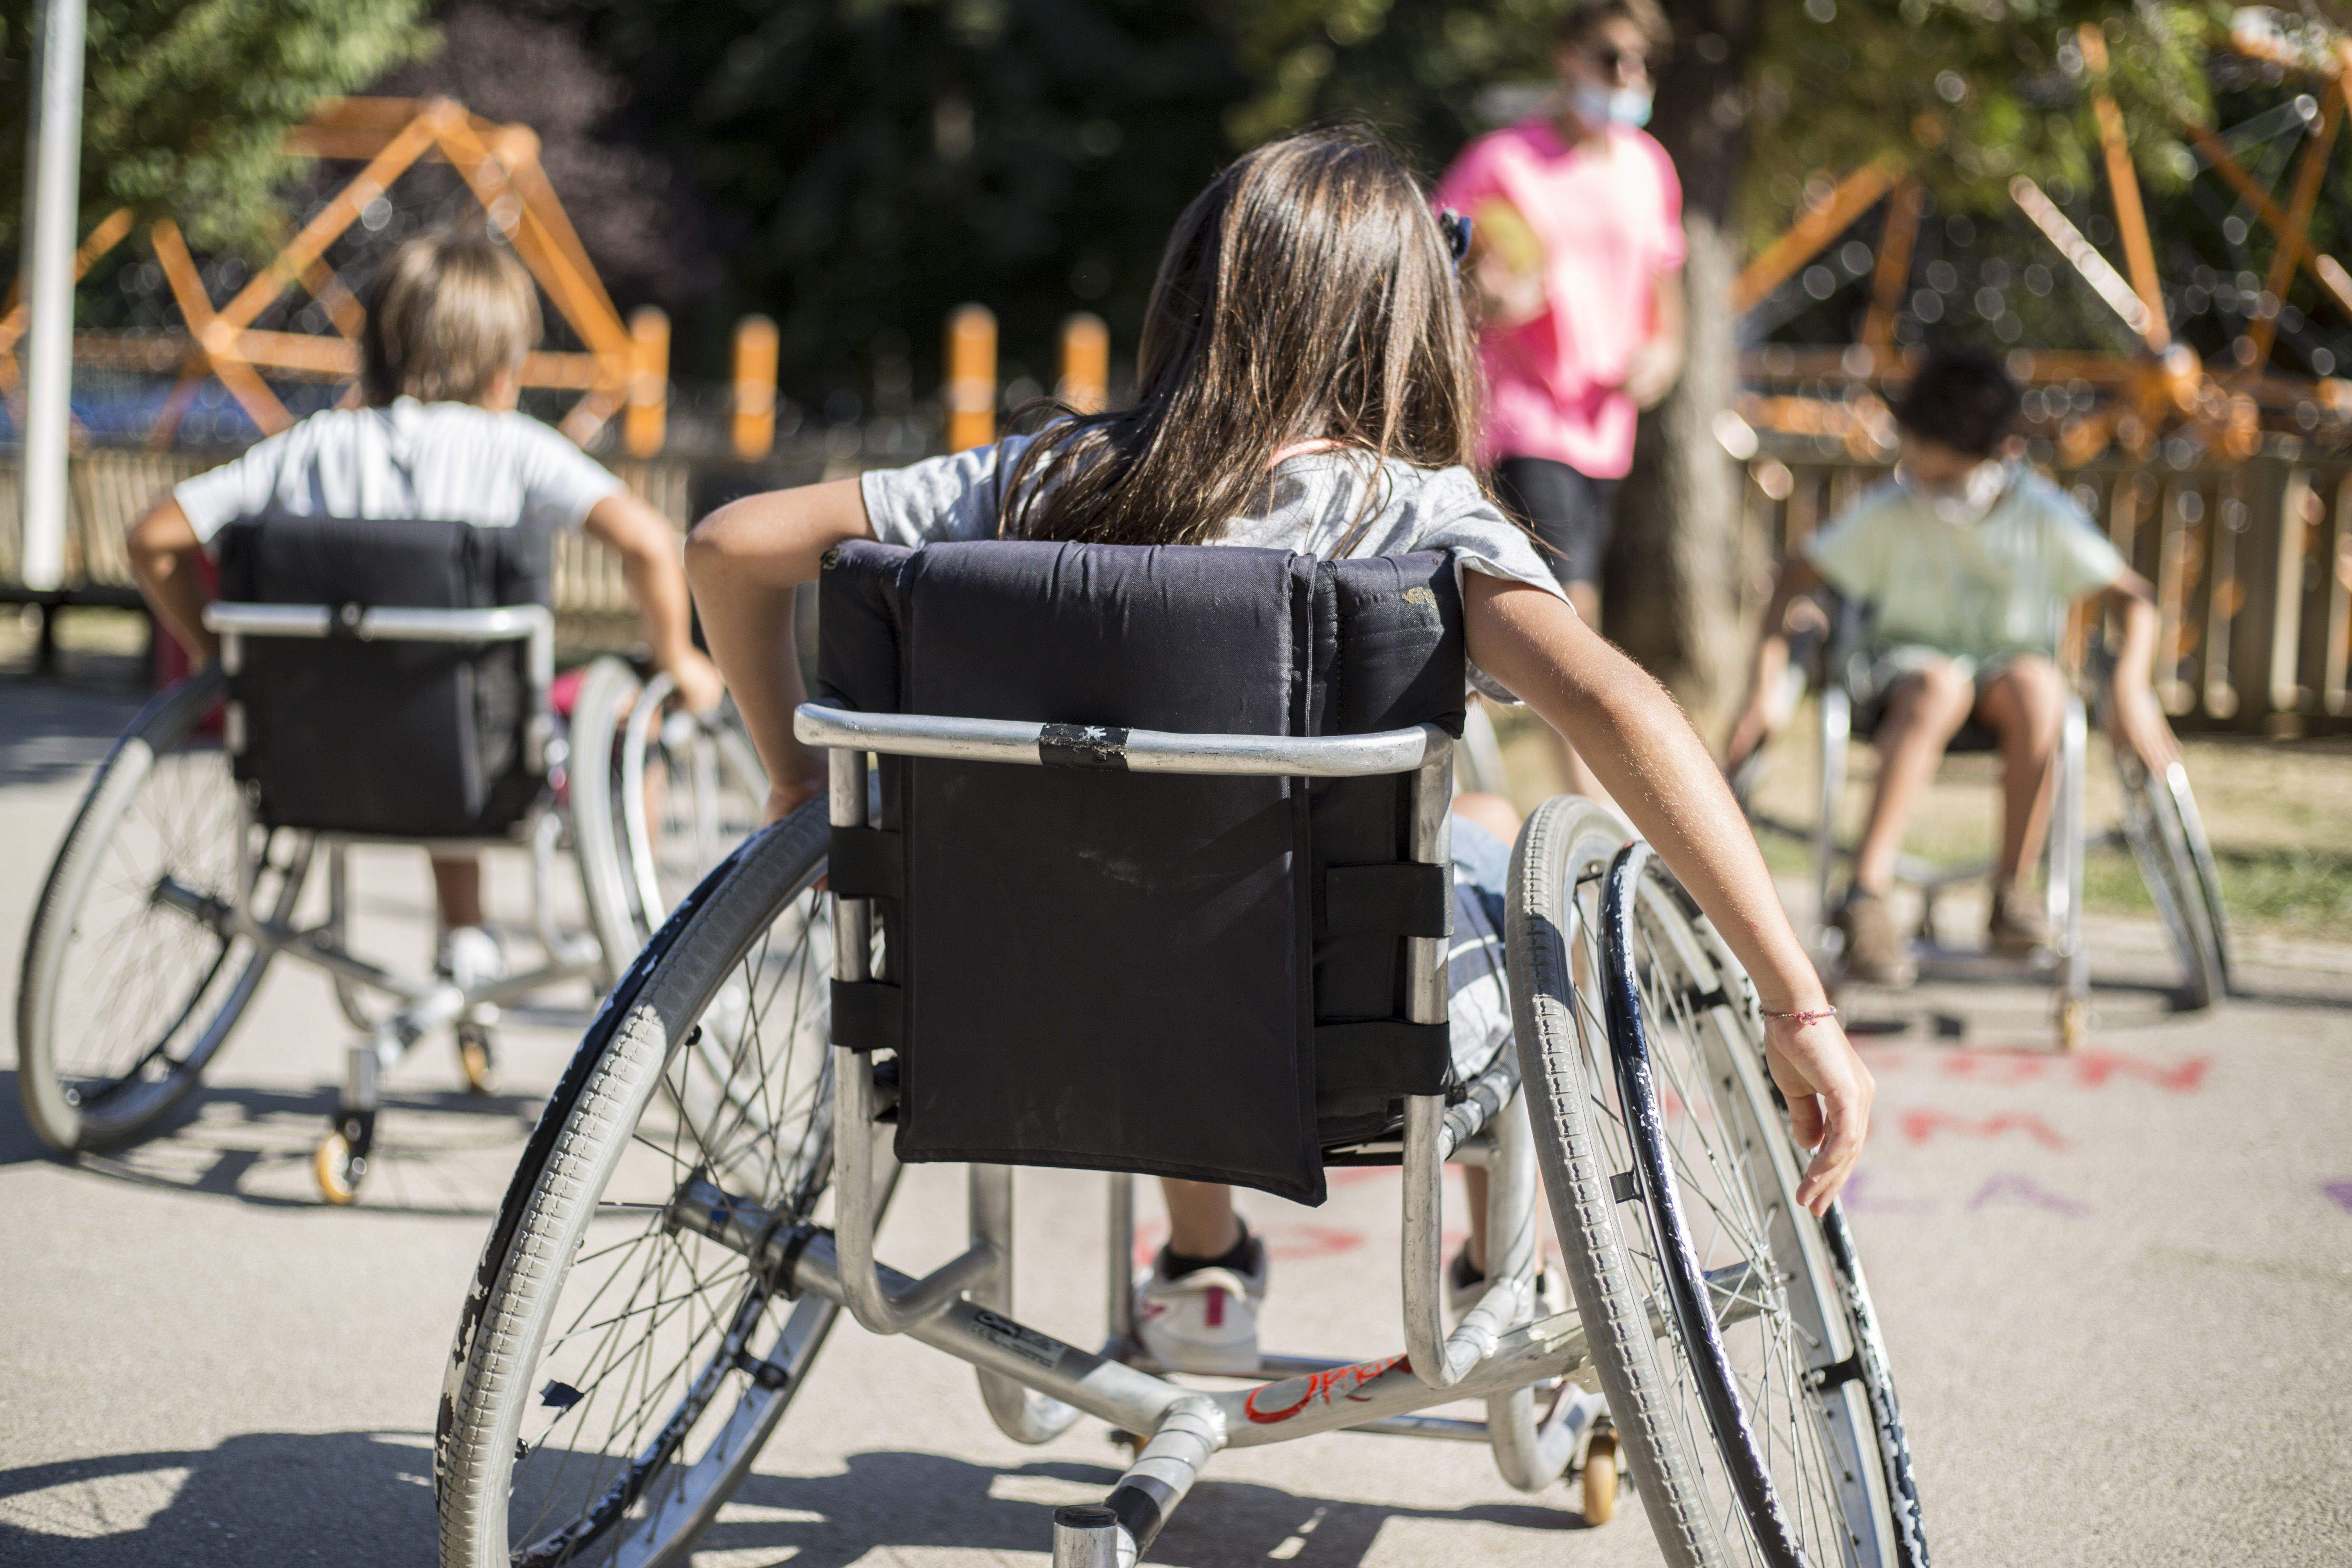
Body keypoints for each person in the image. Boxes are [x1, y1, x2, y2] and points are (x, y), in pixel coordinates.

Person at [687, 128, 1869, 1374]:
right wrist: (1796, 999)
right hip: (1337, 1041)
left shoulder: (1035, 479)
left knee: (1134, 878)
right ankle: (1491, 1265)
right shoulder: (1416, 524)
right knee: (1500, 857)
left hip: (1012, 1014)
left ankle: (1202, 1269)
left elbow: (726, 546)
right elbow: (1625, 714)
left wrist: (789, 776)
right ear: (1410, 322)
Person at [126, 225, 721, 1002]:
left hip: (316, 757)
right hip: (476, 766)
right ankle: (633, 941)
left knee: (427, 689)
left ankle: (465, 935)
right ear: (504, 364)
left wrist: (215, 657)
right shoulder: (516, 449)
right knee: (591, 710)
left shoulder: (310, 449)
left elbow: (153, 540)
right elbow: (648, 546)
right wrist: (678, 658)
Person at [1725, 346, 2177, 987]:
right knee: (1940, 684)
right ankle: (1867, 896)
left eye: (1944, 480)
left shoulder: (2041, 514)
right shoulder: (1891, 511)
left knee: (2042, 688)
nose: (1928, 490)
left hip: (2003, 681)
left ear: (2005, 456)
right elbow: (1794, 581)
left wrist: (2130, 688)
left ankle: (2013, 891)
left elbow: (2134, 598)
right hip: (1906, 680)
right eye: (1917, 472)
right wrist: (1763, 692)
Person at [1433, 0, 1686, 799]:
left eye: (1643, 62)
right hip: (1520, 416)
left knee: (1536, 615)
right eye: (1614, 58)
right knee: (1565, 613)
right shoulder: (1502, 161)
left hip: (1603, 425)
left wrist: (1667, 348)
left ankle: (1447, 780)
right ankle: (1592, 813)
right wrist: (1491, 295)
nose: (1631, 78)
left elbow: (1664, 280)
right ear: (1568, 56)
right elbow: (1440, 273)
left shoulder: (1648, 165)